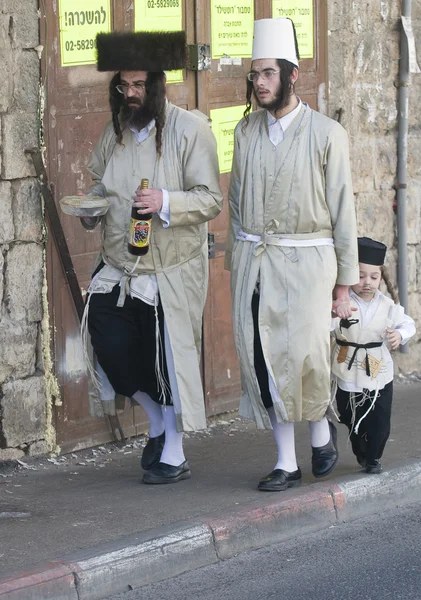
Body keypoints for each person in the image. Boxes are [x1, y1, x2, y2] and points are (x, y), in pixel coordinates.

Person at [78, 31, 223, 485]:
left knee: (165, 360)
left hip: (171, 268)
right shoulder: (116, 131)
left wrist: (164, 200)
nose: (130, 93)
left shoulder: (190, 129)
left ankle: (175, 454)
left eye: (138, 85)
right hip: (119, 265)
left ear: (158, 84)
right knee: (110, 346)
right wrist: (90, 209)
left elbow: (210, 200)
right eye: (122, 85)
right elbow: (101, 186)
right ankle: (157, 423)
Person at [225, 17, 359, 492]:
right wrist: (235, 265)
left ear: (291, 75)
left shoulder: (326, 134)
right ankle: (286, 461)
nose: (258, 83)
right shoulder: (245, 132)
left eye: (267, 74)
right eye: (254, 75)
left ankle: (321, 434)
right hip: (257, 264)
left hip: (308, 266)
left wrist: (344, 284)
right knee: (264, 358)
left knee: (306, 359)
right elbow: (237, 203)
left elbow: (343, 211)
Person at [331, 237, 415, 474]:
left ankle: (374, 457)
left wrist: (399, 335)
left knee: (379, 418)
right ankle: (360, 449)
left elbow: (408, 324)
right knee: (348, 414)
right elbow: (324, 325)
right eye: (360, 275)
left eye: (373, 277)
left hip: (378, 368)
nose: (366, 282)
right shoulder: (339, 303)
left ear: (381, 277)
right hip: (346, 365)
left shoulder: (387, 305)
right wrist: (336, 311)